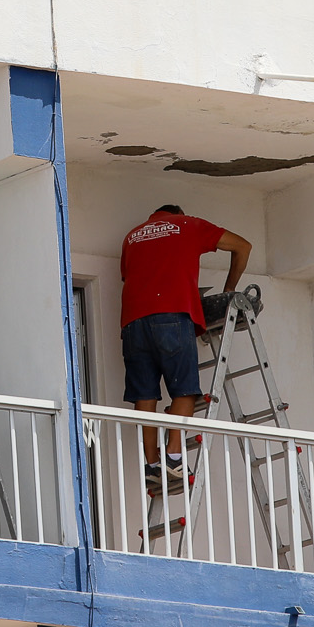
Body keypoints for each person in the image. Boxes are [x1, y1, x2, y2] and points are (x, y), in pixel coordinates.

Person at [120, 203, 252, 485]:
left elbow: (130, 276)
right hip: (172, 314)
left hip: (132, 322)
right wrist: (229, 290)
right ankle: (174, 458)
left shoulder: (132, 236)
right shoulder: (189, 225)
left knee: (145, 395)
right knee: (185, 389)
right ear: (179, 215)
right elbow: (244, 246)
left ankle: (152, 464)